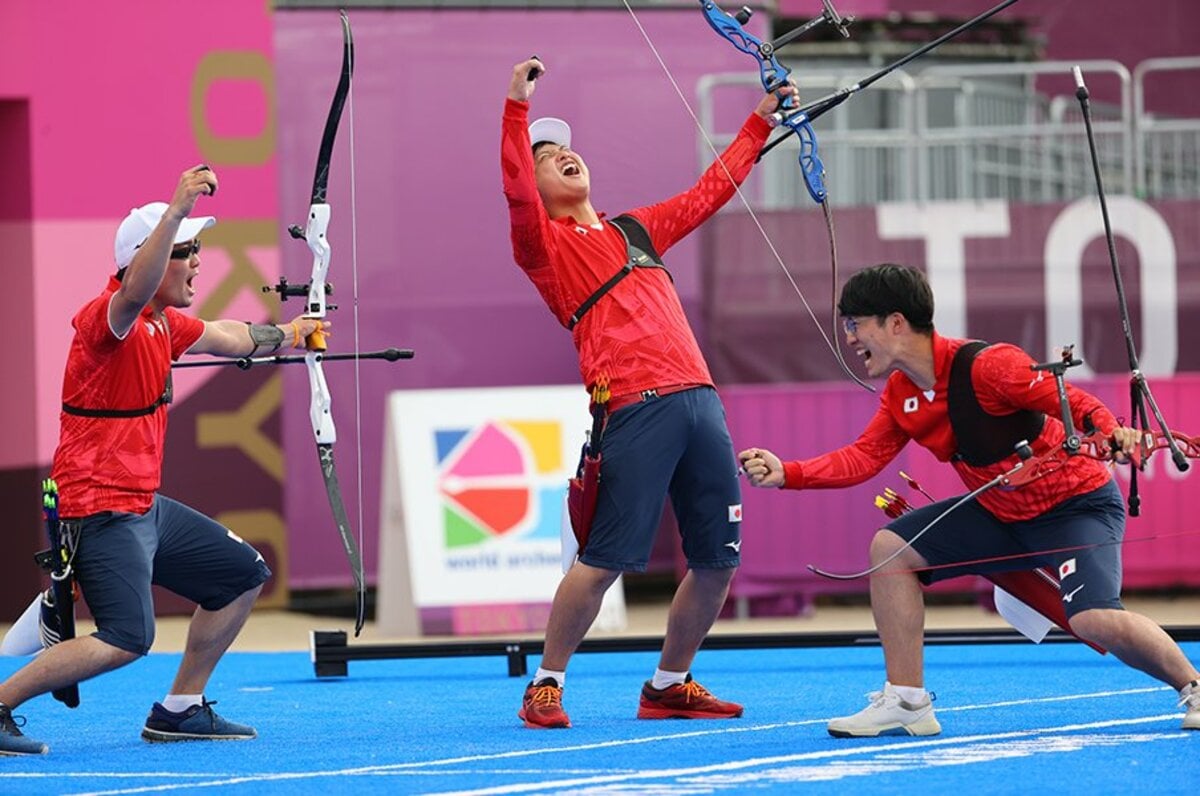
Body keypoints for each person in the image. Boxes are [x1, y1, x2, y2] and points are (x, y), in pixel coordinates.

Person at [738, 263, 1200, 737]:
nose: (850, 338)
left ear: (895, 323)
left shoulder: (989, 364)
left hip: (1075, 507)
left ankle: (1193, 685)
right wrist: (787, 473)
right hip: (999, 514)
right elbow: (863, 458)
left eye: (856, 324)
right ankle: (907, 701)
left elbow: (1077, 403)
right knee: (891, 548)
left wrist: (1110, 432)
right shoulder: (900, 393)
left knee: (1092, 619)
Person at [501, 58, 793, 728]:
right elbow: (516, 187)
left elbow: (708, 192)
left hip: (700, 403)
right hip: (633, 408)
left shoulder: (634, 230)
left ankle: (668, 684)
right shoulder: (539, 245)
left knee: (718, 561)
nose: (562, 155)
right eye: (546, 156)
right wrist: (516, 106)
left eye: (568, 148)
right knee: (603, 561)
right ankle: (545, 684)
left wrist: (761, 119)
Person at [0, 166, 327, 756]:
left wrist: (291, 333)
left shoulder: (163, 324)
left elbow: (228, 335)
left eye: (197, 249)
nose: (198, 261)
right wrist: (175, 209)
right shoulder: (109, 320)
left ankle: (180, 708)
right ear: (146, 259)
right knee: (129, 637)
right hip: (98, 507)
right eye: (185, 251)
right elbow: (131, 289)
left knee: (240, 575)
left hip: (141, 505)